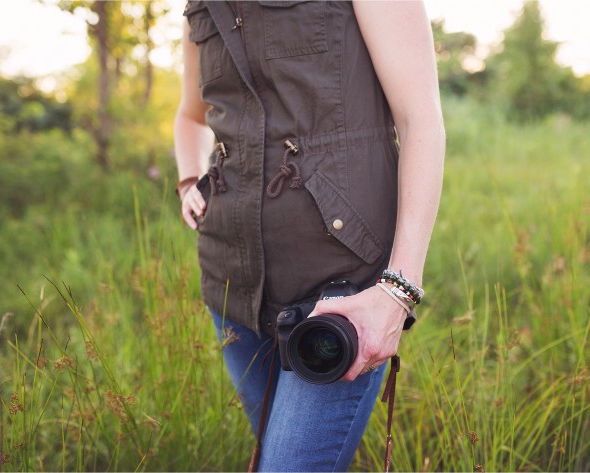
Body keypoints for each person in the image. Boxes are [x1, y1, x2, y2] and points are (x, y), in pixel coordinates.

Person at [174, 1, 444, 471]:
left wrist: (398, 290)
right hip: (231, 286)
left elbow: (420, 119)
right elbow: (191, 116)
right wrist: (187, 178)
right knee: (272, 454)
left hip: (340, 292)